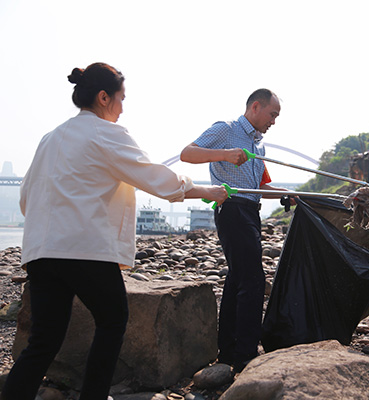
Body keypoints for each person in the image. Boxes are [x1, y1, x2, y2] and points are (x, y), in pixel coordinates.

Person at [0, 63, 228, 400]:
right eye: (121, 99)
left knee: (43, 342)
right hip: (84, 250)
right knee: (112, 321)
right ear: (104, 97)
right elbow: (157, 178)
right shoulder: (106, 134)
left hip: (41, 252)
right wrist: (206, 191)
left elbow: (25, 200)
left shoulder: (49, 139)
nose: (122, 108)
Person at [180, 88, 290, 372]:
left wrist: (287, 195)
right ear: (256, 106)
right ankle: (246, 355)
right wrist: (225, 155)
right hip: (230, 209)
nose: (274, 121)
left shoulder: (259, 145)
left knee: (238, 278)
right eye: (272, 114)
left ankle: (228, 351)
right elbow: (187, 154)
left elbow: (261, 187)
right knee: (253, 279)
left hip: (251, 212)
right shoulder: (226, 130)